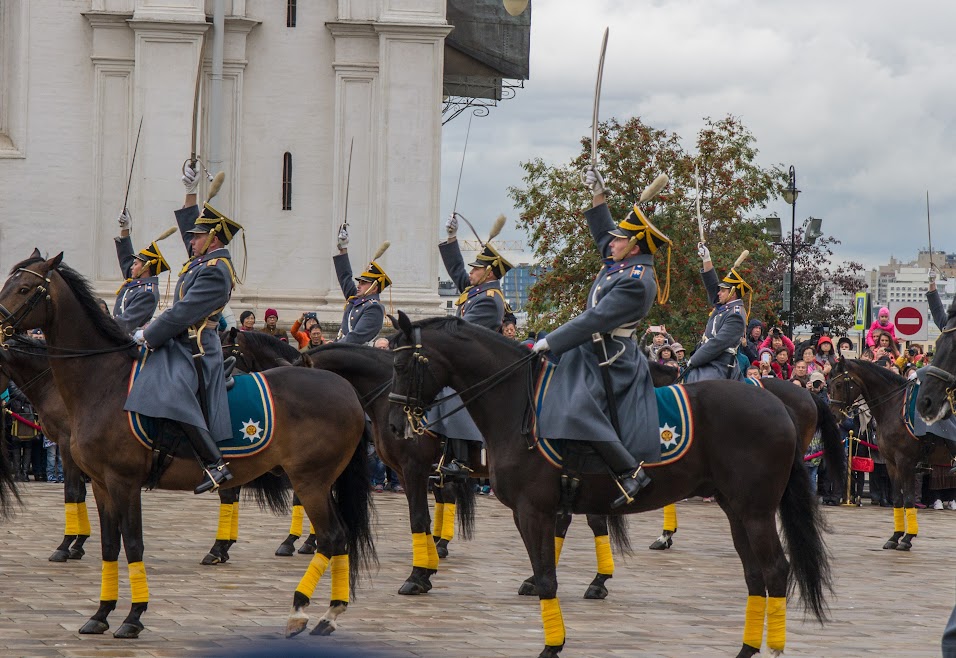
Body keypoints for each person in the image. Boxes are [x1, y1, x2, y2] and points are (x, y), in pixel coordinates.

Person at [532, 167, 669, 508]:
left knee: (579, 406)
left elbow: (597, 318)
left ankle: (629, 472)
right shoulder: (621, 264)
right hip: (591, 348)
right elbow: (603, 237)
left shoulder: (637, 280)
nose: (612, 243)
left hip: (614, 356)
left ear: (634, 247)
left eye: (620, 239)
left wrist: (554, 340)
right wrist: (598, 195)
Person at [125, 165, 242, 494]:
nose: (191, 242)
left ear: (213, 239)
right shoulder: (204, 261)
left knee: (174, 389)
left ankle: (215, 464)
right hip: (181, 344)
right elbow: (193, 226)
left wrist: (148, 334)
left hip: (198, 350)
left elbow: (183, 313)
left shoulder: (217, 270)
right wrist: (189, 193)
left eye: (197, 237)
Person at [435, 212, 514, 479]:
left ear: (488, 273)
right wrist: (451, 238)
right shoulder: (477, 290)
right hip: (467, 354)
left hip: (479, 360)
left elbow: (465, 332)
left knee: (452, 393)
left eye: (475, 269)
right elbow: (458, 271)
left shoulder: (490, 298)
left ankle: (463, 458)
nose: (470, 273)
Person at [683, 245, 750, 382]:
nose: (718, 293)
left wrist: (694, 359)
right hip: (710, 360)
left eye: (723, 291)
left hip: (721, 364)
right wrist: (706, 259)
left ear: (732, 293)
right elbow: (712, 286)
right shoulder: (724, 306)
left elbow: (718, 343)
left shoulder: (736, 315)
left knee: (700, 386)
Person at [112, 209, 170, 334]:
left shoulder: (147, 292)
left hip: (130, 340)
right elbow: (126, 259)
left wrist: (101, 325)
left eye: (136, 264)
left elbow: (126, 322)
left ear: (146, 268)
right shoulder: (138, 284)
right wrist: (125, 230)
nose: (131, 267)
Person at [333, 226, 390, 344]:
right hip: (343, 350)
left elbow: (356, 337)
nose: (358, 286)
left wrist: (330, 349)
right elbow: (345, 278)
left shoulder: (374, 307)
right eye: (359, 282)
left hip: (356, 355)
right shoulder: (356, 300)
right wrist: (343, 249)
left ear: (374, 288)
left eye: (363, 283)